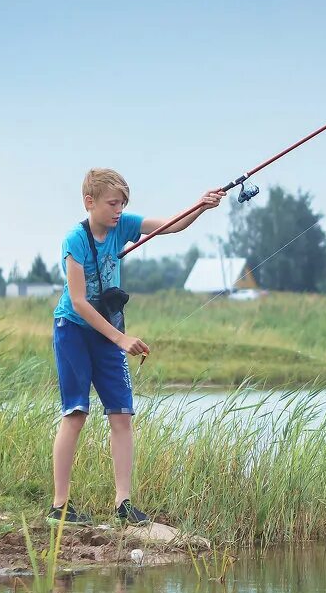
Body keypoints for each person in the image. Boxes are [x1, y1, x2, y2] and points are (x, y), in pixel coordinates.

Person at [48, 167, 224, 526]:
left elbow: (171, 225)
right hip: (74, 329)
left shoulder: (123, 226)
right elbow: (80, 302)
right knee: (76, 413)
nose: (118, 210)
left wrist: (201, 206)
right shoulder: (75, 240)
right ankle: (59, 507)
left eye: (123, 204)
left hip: (108, 331)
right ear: (89, 202)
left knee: (122, 415)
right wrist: (121, 339)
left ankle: (123, 504)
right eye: (113, 203)